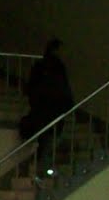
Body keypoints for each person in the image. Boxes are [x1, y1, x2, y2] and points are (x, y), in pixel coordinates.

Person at [21, 38, 75, 170]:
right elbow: (62, 87)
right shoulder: (56, 68)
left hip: (46, 108)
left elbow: (32, 86)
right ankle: (42, 167)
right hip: (51, 108)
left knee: (46, 139)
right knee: (49, 138)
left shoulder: (43, 66)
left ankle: (40, 166)